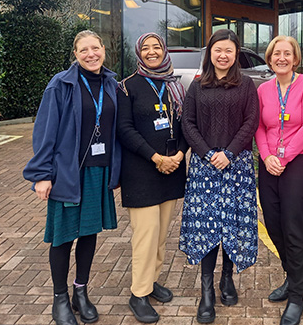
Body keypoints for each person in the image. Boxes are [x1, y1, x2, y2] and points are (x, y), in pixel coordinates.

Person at [23, 30, 120, 325]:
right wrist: (41, 175)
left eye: (95, 48)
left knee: (89, 233)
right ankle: (59, 298)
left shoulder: (112, 83)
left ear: (104, 49)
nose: (91, 54)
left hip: (98, 170)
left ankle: (81, 291)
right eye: (83, 50)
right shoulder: (61, 84)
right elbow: (44, 131)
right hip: (68, 174)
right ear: (75, 55)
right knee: (63, 238)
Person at [180, 29, 259, 324]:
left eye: (229, 50)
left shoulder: (247, 85)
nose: (223, 55)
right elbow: (187, 122)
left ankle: (228, 279)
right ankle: (206, 292)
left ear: (236, 54)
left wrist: (230, 153)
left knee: (232, 225)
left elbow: (252, 121)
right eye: (218, 50)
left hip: (236, 167)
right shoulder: (198, 86)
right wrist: (206, 153)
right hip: (205, 167)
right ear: (210, 53)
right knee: (207, 227)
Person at [116, 32, 188, 323]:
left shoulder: (175, 86)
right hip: (142, 171)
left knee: (160, 235)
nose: (151, 52)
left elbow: (186, 125)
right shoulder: (126, 87)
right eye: (145, 48)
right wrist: (156, 158)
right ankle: (139, 293)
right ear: (139, 54)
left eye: (156, 47)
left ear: (164, 50)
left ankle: (152, 280)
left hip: (172, 170)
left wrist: (180, 155)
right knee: (145, 236)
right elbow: (125, 129)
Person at [255, 36, 303, 325]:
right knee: (273, 223)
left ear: (296, 58)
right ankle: (291, 275)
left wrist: (283, 158)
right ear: (269, 59)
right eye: (276, 54)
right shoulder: (263, 89)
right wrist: (268, 155)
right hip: (269, 161)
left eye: (287, 53)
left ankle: (297, 295)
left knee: (293, 227)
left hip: (300, 160)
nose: (281, 58)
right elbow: (258, 125)